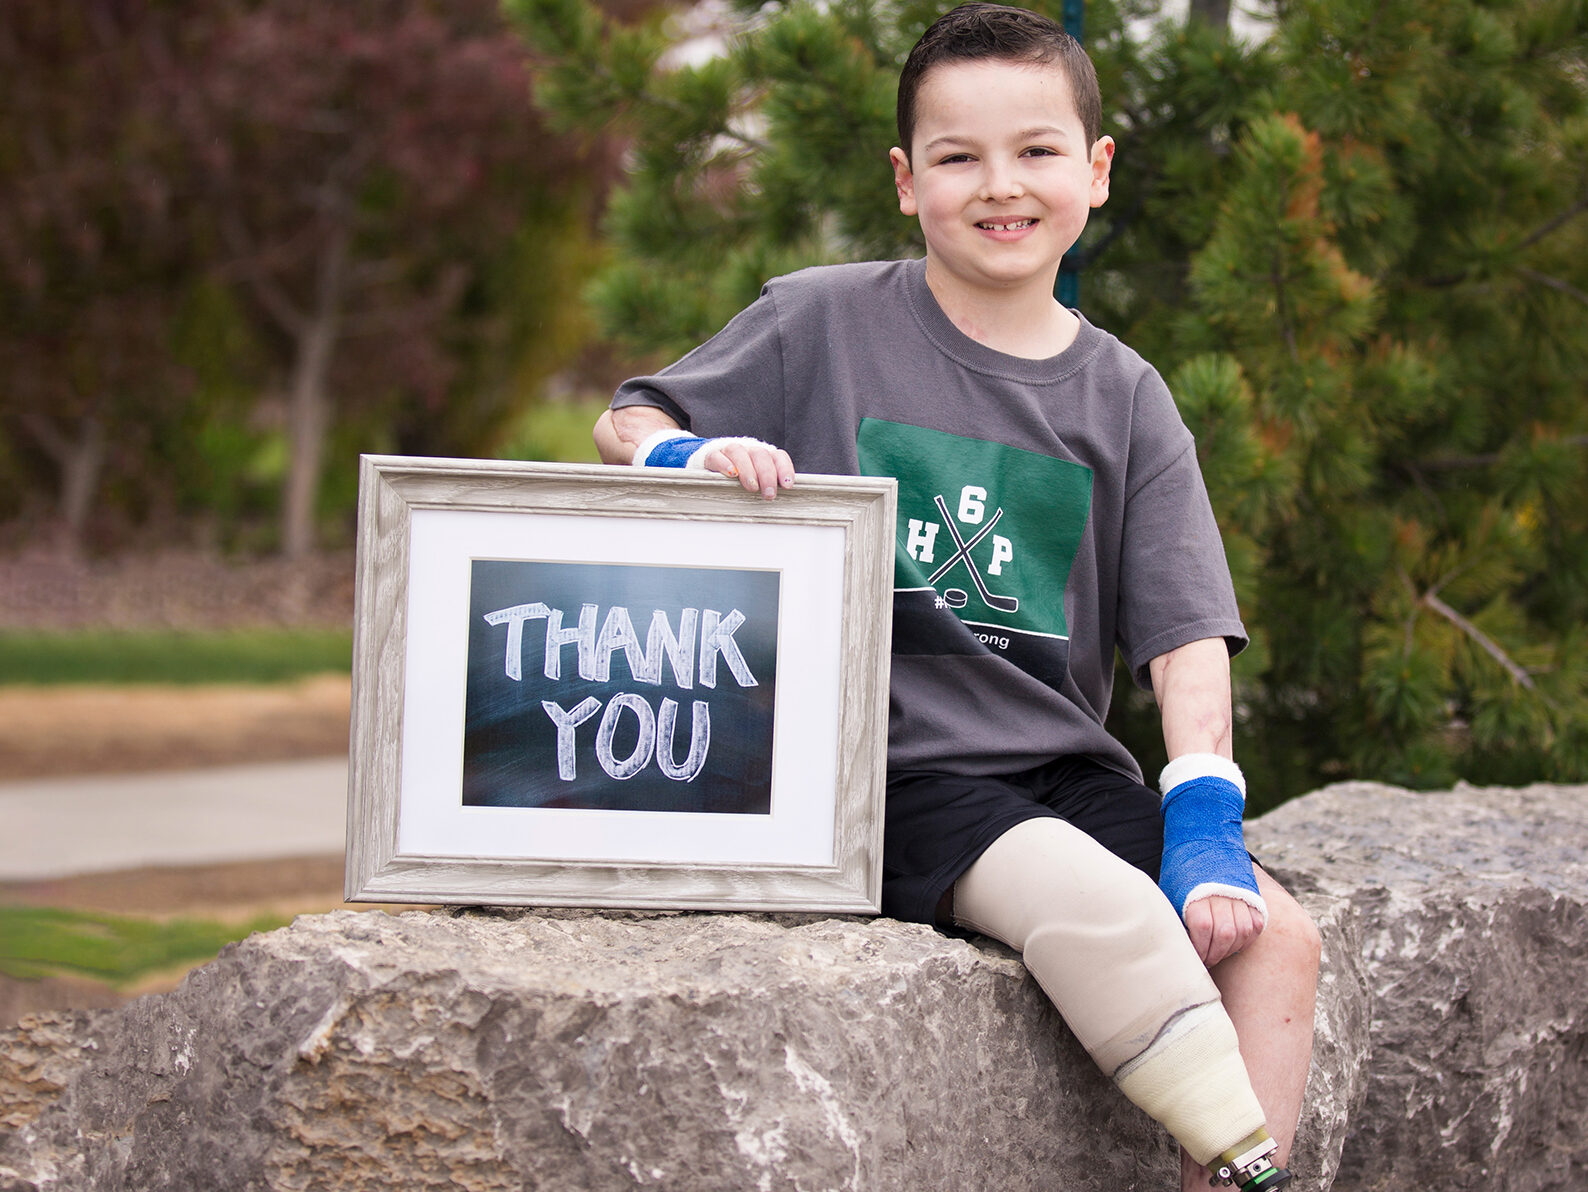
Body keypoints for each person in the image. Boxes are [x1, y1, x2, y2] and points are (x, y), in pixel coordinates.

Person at [593, 4, 1322, 1187]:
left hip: (1062, 768)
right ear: (904, 179)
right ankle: (1253, 1165)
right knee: (1104, 912)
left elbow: (1185, 632)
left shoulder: (1126, 396)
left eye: (1036, 151)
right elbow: (627, 417)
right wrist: (687, 459)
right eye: (957, 156)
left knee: (1276, 939)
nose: (1000, 185)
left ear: (1094, 171)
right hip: (892, 776)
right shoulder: (820, 322)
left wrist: (1202, 829)